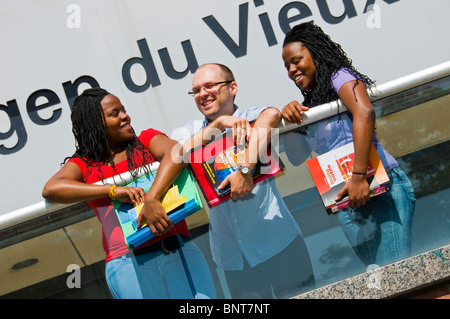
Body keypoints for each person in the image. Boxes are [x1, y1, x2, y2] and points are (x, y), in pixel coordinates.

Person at [42, 87, 216, 299]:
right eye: (115, 114)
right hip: (127, 263)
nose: (125, 116)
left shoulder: (146, 140)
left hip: (178, 249)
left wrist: (151, 197)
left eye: (123, 110)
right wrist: (113, 190)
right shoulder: (85, 164)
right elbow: (52, 189)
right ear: (96, 123)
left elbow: (177, 152)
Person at [281, 22, 416, 267]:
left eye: (296, 60)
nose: (291, 70)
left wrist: (358, 176)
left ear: (316, 53)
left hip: (378, 185)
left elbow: (364, 113)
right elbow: (296, 156)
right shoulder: (308, 106)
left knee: (397, 279)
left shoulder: (339, 76)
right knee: (377, 281)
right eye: (287, 66)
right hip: (345, 201)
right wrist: (288, 119)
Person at [176, 63, 315, 298]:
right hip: (233, 259)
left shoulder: (252, 117)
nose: (202, 94)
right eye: (196, 90)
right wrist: (218, 125)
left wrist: (244, 170)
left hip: (280, 243)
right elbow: (176, 154)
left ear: (233, 87)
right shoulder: (190, 131)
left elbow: (271, 114)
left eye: (209, 86)